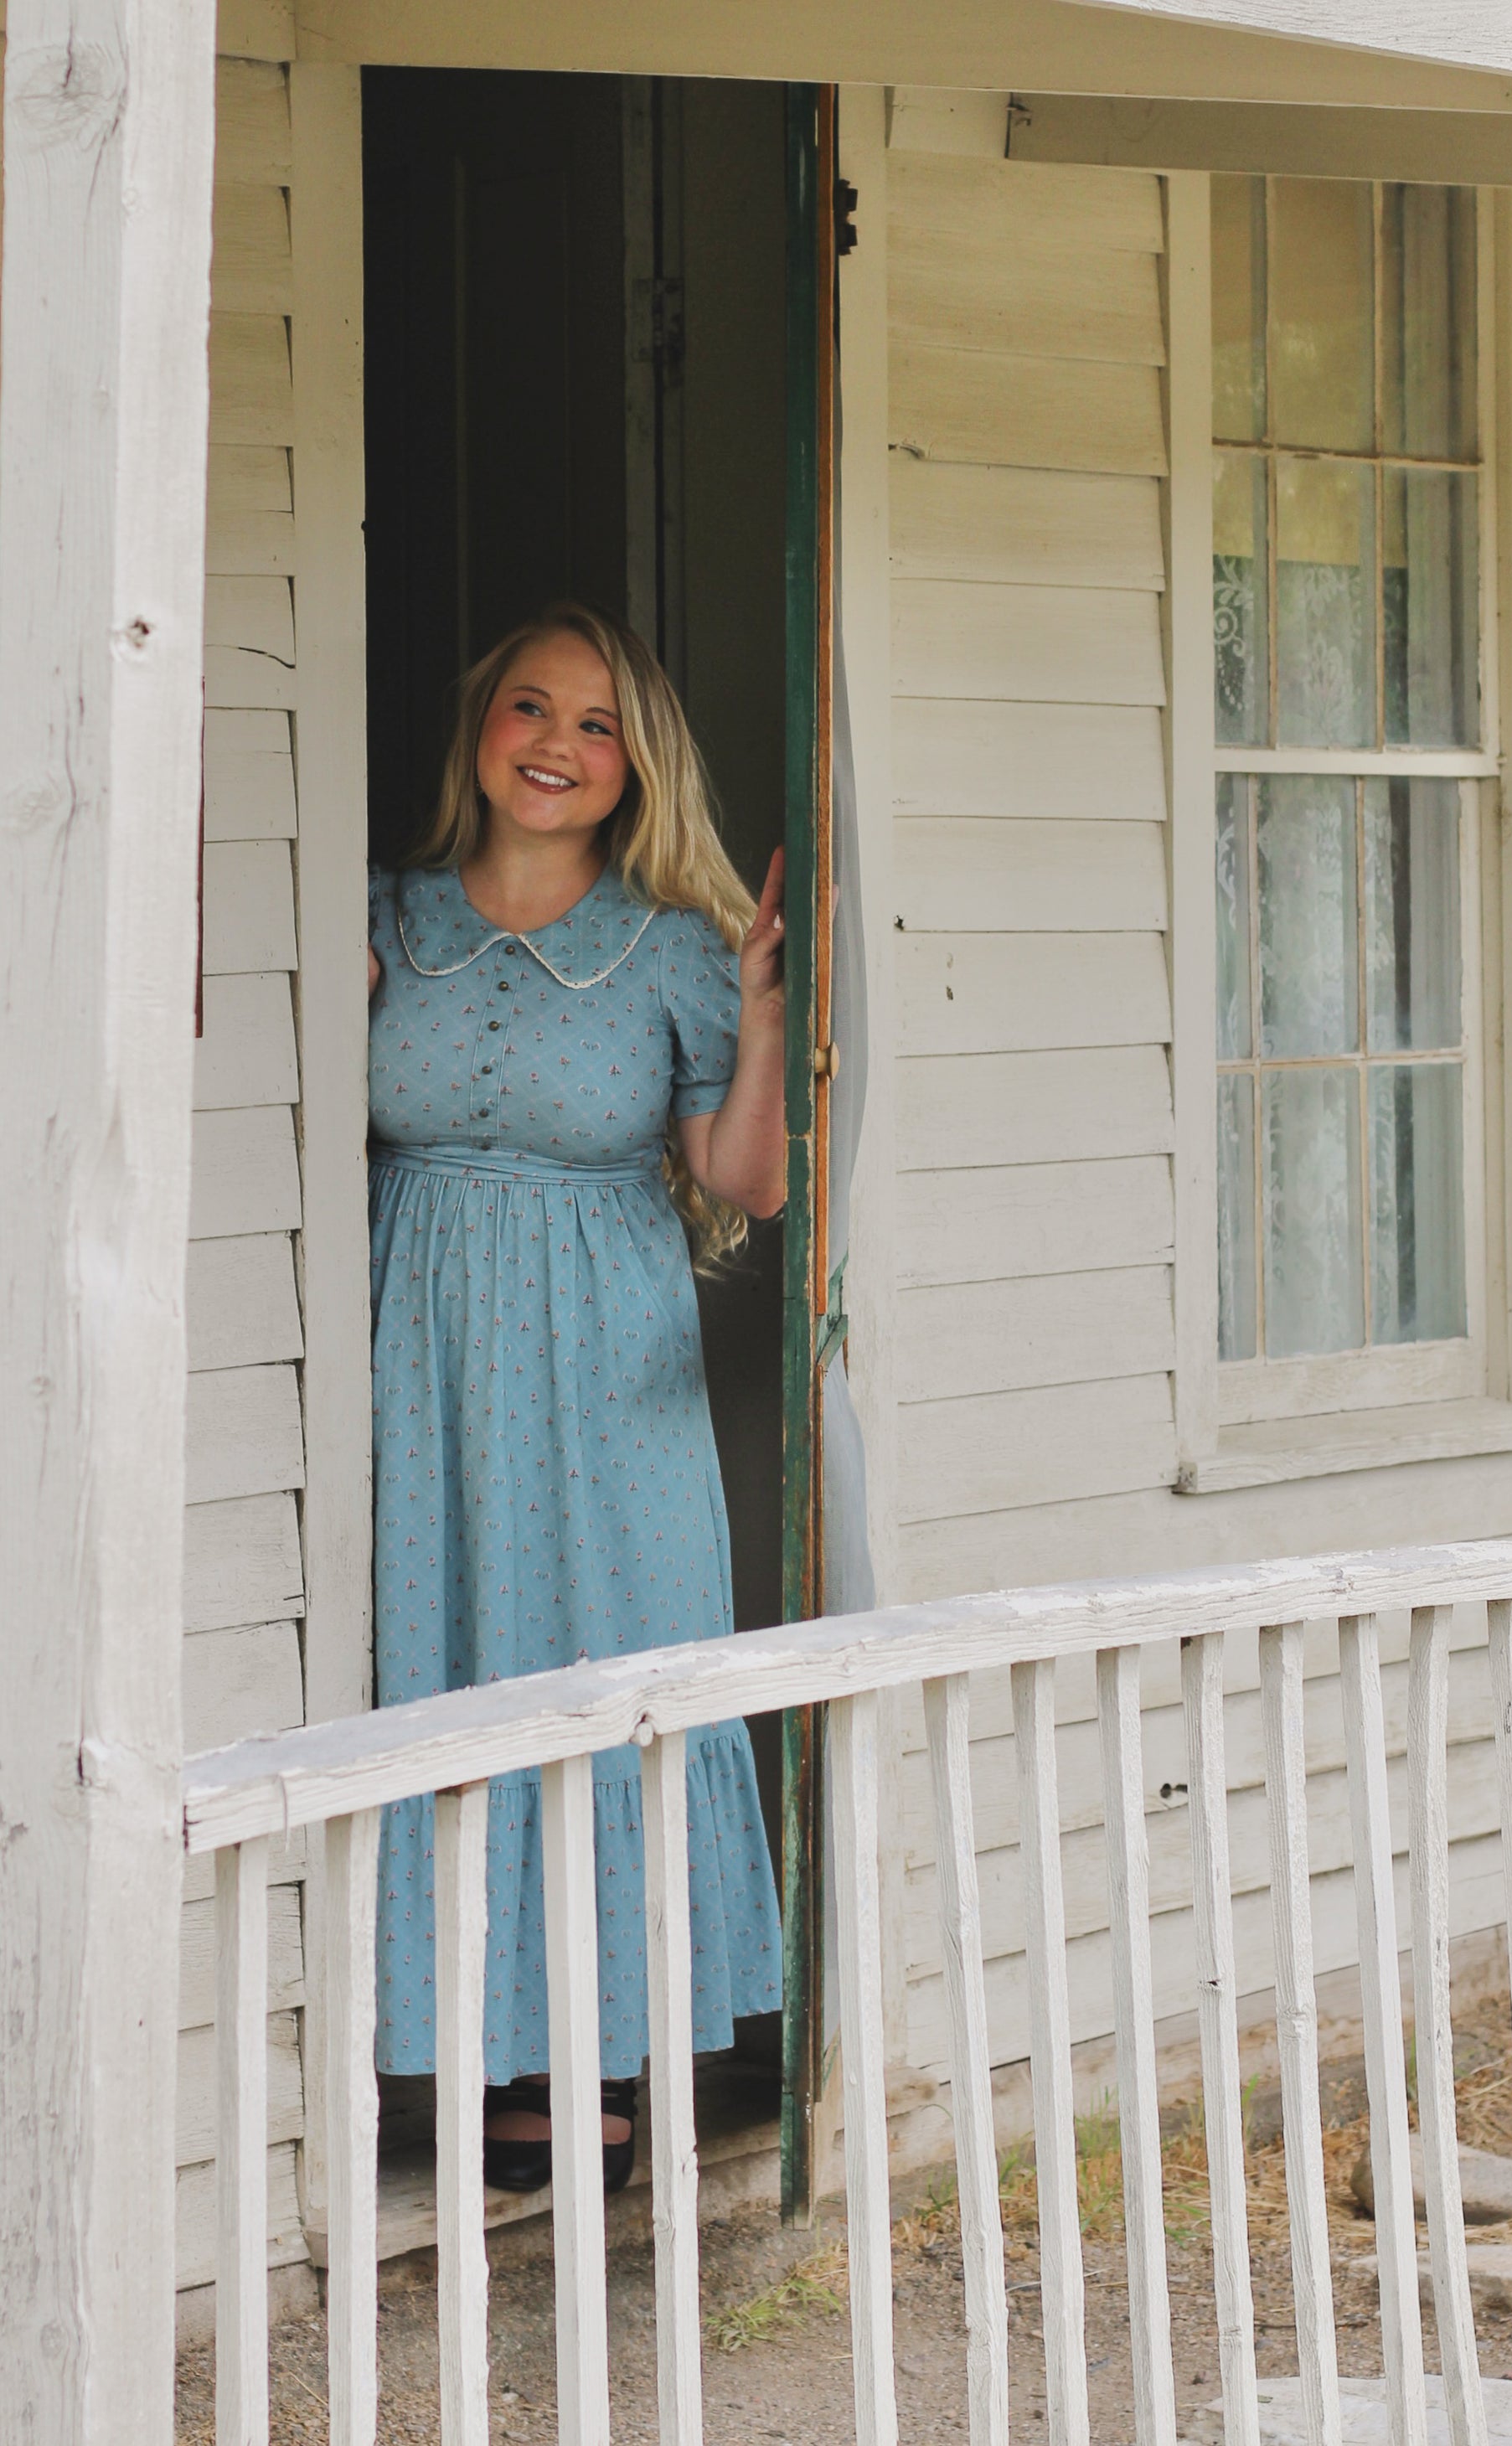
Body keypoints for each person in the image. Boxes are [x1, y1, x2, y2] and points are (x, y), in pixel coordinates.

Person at [366, 603, 787, 2195]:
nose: (555, 743)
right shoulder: (381, 918)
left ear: (633, 765)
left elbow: (738, 1181)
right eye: (529, 708)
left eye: (595, 724)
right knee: (447, 1662)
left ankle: (601, 2047)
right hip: (426, 1360)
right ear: (480, 726)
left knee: (602, 1662)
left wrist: (755, 1019)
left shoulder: (671, 945)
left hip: (611, 1367)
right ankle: (457, 2040)